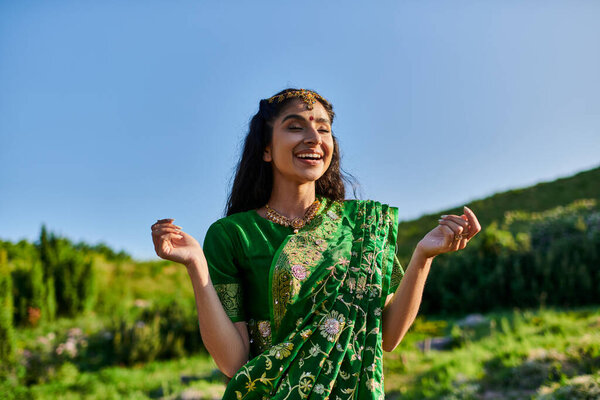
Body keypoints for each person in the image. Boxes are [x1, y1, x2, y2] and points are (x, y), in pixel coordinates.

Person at [151, 88, 481, 399]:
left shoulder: (362, 226)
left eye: (323, 130)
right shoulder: (234, 234)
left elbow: (388, 337)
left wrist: (423, 257)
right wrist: (196, 266)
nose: (313, 138)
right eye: (295, 128)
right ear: (266, 149)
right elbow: (233, 362)